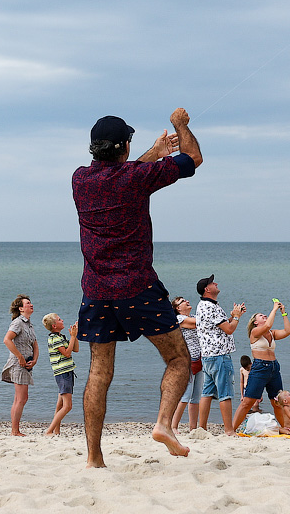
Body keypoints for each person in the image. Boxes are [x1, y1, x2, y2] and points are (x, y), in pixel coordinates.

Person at [73, 109, 202, 467]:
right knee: (178, 359)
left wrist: (154, 151)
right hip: (137, 286)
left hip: (96, 292)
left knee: (99, 372)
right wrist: (180, 126)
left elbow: (121, 174)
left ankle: (94, 458)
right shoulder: (136, 177)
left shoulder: (80, 180)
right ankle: (163, 424)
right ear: (124, 147)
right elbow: (193, 159)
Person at [231, 299, 290, 432]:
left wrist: (283, 313)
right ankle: (232, 430)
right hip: (260, 368)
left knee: (277, 402)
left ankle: (284, 428)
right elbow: (267, 326)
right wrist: (274, 309)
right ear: (255, 322)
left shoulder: (271, 333)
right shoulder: (255, 332)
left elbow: (288, 331)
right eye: (261, 316)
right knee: (247, 402)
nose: (264, 316)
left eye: (265, 315)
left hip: (274, 368)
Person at [195, 275, 244, 436]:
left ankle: (201, 428)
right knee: (226, 393)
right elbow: (229, 329)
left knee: (207, 392)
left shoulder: (203, 305)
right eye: (212, 283)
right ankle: (229, 430)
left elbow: (220, 326)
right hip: (219, 355)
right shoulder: (211, 307)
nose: (216, 283)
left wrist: (233, 316)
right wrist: (236, 317)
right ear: (207, 289)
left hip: (208, 355)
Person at [1, 294, 38, 437]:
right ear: (21, 308)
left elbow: (35, 344)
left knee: (21, 398)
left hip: (27, 364)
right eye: (28, 303)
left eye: (31, 302)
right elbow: (7, 340)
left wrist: (34, 359)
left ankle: (15, 430)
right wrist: (20, 357)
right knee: (21, 398)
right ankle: (14, 431)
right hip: (18, 364)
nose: (31, 305)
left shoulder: (29, 324)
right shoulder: (18, 323)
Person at [42, 313, 79, 436]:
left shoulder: (60, 336)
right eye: (59, 319)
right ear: (54, 325)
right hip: (63, 373)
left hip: (67, 372)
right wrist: (72, 336)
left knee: (60, 404)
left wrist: (74, 335)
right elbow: (67, 354)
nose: (62, 320)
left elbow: (75, 349)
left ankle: (56, 431)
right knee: (68, 406)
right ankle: (49, 431)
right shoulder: (54, 338)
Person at [170, 296, 203, 432]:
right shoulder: (179, 319)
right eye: (183, 301)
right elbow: (198, 323)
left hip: (199, 360)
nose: (187, 301)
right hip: (187, 362)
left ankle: (193, 427)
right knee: (185, 395)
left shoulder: (194, 316)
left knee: (196, 397)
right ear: (178, 308)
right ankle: (173, 426)